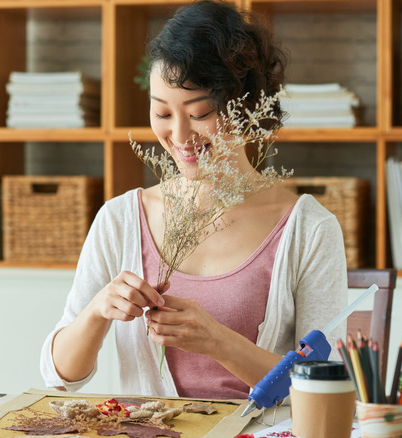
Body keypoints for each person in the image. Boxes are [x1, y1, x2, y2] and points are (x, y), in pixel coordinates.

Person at [40, 0, 347, 399]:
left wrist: (218, 341)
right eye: (163, 114)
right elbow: (61, 376)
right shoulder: (121, 220)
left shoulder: (308, 229)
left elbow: (324, 388)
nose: (180, 136)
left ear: (248, 108)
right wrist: (98, 310)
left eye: (200, 113)